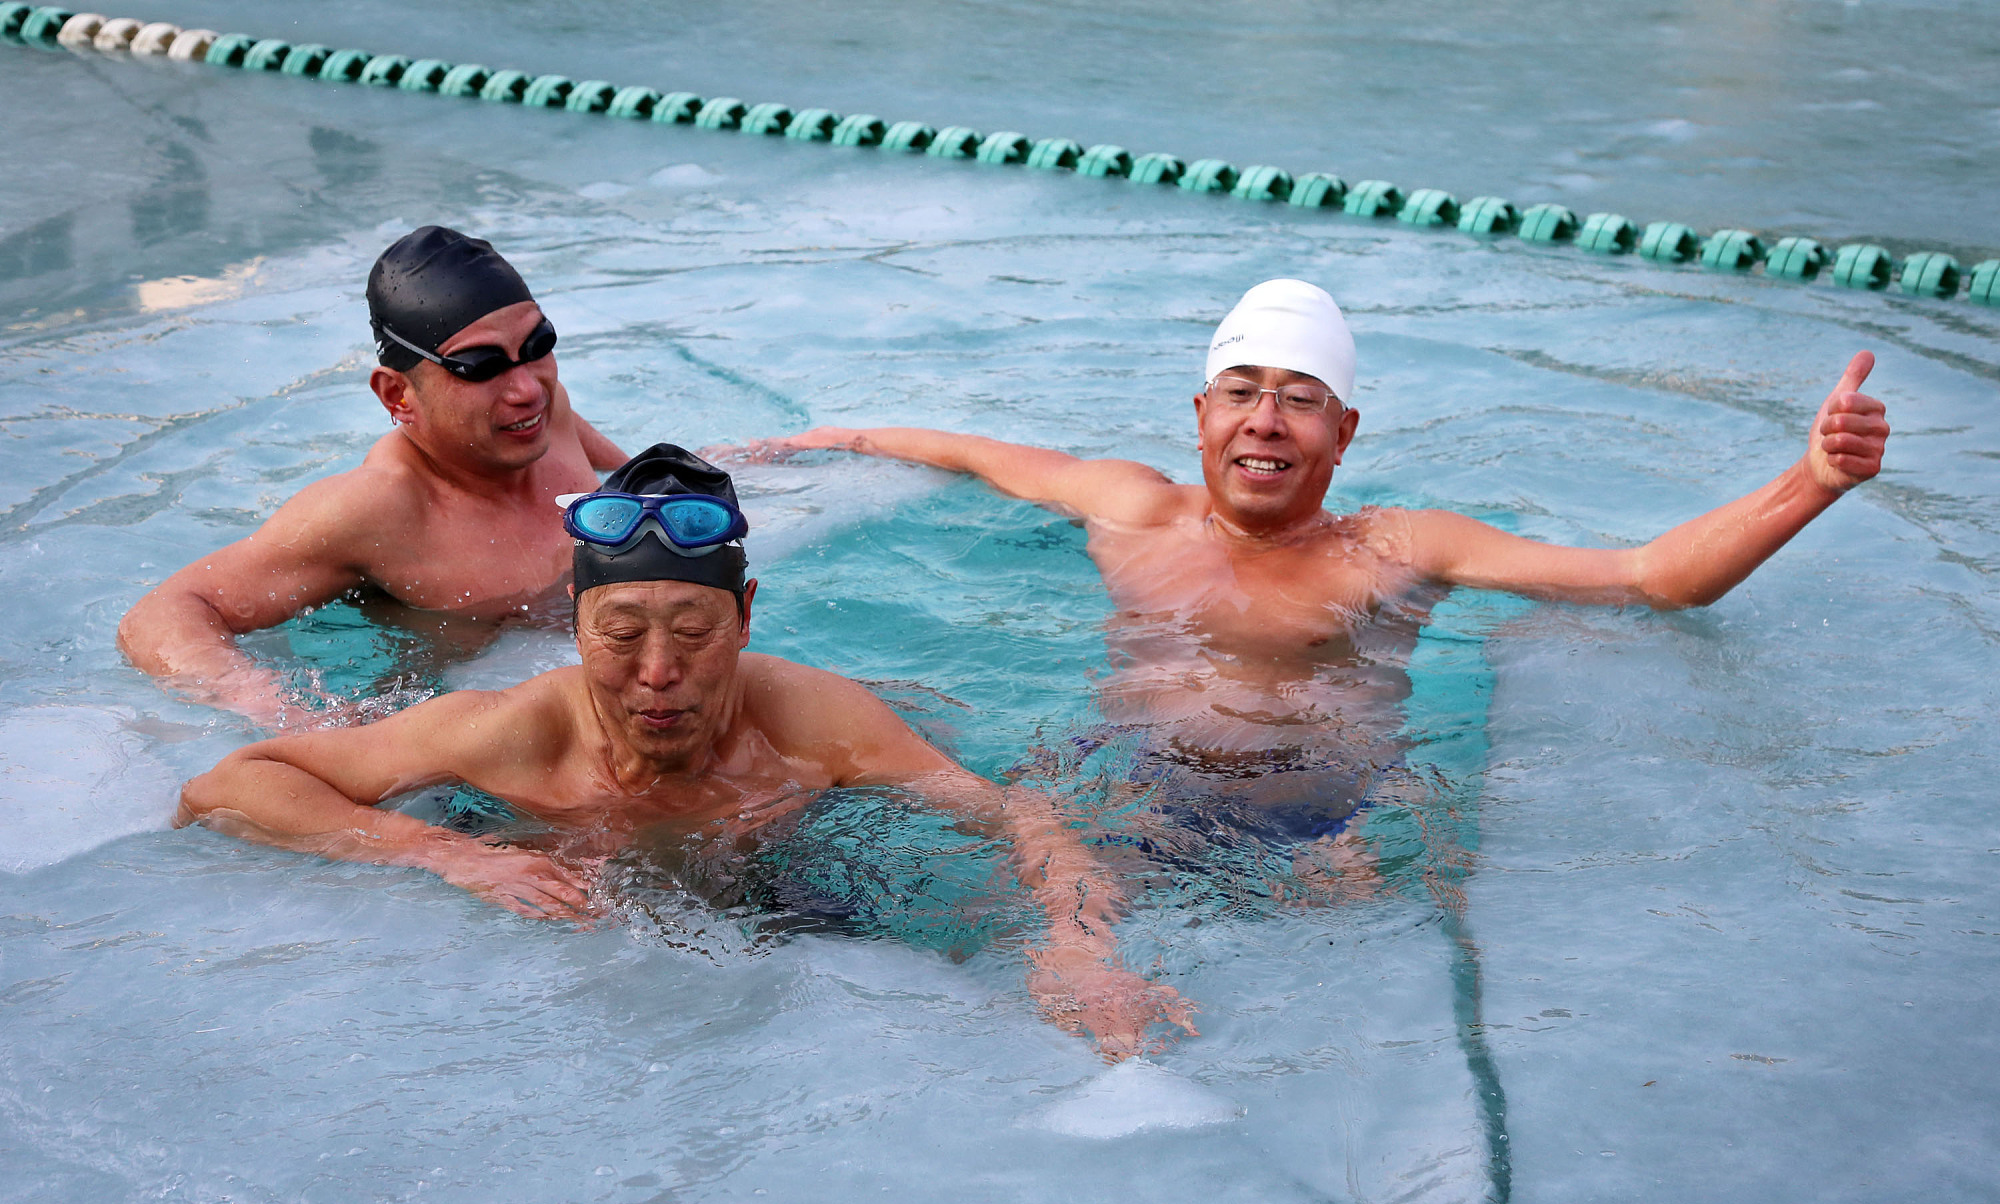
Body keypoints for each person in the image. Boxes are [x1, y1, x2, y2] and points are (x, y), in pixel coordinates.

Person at [728, 279, 1892, 882]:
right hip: (1117, 790)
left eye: (1297, 396)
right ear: (1200, 415)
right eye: (1241, 389)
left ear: (1342, 431)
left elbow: (1646, 578)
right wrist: (826, 440)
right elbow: (970, 454)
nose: (1264, 418)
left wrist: (1808, 482)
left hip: (1323, 828)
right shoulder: (1128, 507)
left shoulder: (1400, 548)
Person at [175, 445, 1193, 1060]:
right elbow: (229, 785)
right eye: (620, 636)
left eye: (693, 634)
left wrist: (1077, 946)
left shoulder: (816, 721)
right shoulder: (507, 732)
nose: (657, 671)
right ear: (575, 628)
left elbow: (1016, 808)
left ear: (746, 618)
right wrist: (451, 854)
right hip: (562, 878)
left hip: (779, 870)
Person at [119, 226, 628, 729]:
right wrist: (278, 707)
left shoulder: (541, 412)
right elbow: (159, 615)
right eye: (480, 367)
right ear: (397, 396)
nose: (526, 389)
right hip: (466, 715)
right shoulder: (376, 510)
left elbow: (625, 474)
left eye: (539, 344)